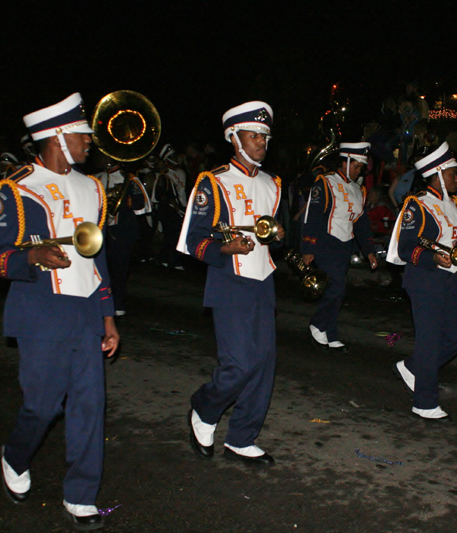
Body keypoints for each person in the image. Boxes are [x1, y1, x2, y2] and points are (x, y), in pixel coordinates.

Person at [0, 93, 119, 530]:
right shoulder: (15, 189)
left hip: (86, 310)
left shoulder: (93, 187)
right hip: (40, 311)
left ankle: (81, 494)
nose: (88, 141)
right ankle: (15, 454)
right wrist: (32, 259)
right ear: (56, 137)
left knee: (91, 404)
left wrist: (108, 316)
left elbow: (99, 260)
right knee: (43, 406)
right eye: (81, 134)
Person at [177, 101, 284, 466]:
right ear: (233, 138)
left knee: (264, 361)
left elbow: (271, 234)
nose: (260, 142)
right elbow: (192, 240)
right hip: (229, 279)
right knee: (239, 364)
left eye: (264, 136)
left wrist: (279, 234)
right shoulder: (214, 181)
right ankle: (204, 409)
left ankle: (241, 437)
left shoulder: (273, 184)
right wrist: (226, 246)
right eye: (253, 135)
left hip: (263, 278)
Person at [387, 142, 457, 420]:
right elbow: (405, 246)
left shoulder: (453, 205)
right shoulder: (418, 204)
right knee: (429, 340)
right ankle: (424, 402)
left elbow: (455, 248)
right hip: (423, 279)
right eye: (453, 174)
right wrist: (431, 258)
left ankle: (413, 368)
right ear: (438, 173)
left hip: (449, 280)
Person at [301, 142, 378, 350]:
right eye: (356, 166)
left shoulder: (358, 190)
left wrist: (369, 250)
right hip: (326, 242)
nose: (358, 170)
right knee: (338, 286)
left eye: (361, 167)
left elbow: (360, 222)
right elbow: (313, 216)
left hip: (345, 244)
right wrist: (308, 248)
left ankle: (331, 331)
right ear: (345, 162)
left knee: (338, 290)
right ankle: (318, 322)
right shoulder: (325, 183)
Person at [96, 157, 151, 316]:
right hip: (100, 230)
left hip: (122, 231)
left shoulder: (130, 179)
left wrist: (125, 195)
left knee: (119, 269)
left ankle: (118, 303)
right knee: (99, 268)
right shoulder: (95, 177)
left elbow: (141, 206)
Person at [153, 144, 187, 269]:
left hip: (181, 208)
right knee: (172, 235)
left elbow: (184, 191)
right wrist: (172, 204)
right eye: (172, 156)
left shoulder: (182, 172)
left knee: (179, 235)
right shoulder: (164, 175)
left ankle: (174, 260)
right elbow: (160, 195)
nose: (175, 158)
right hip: (168, 209)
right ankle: (166, 259)